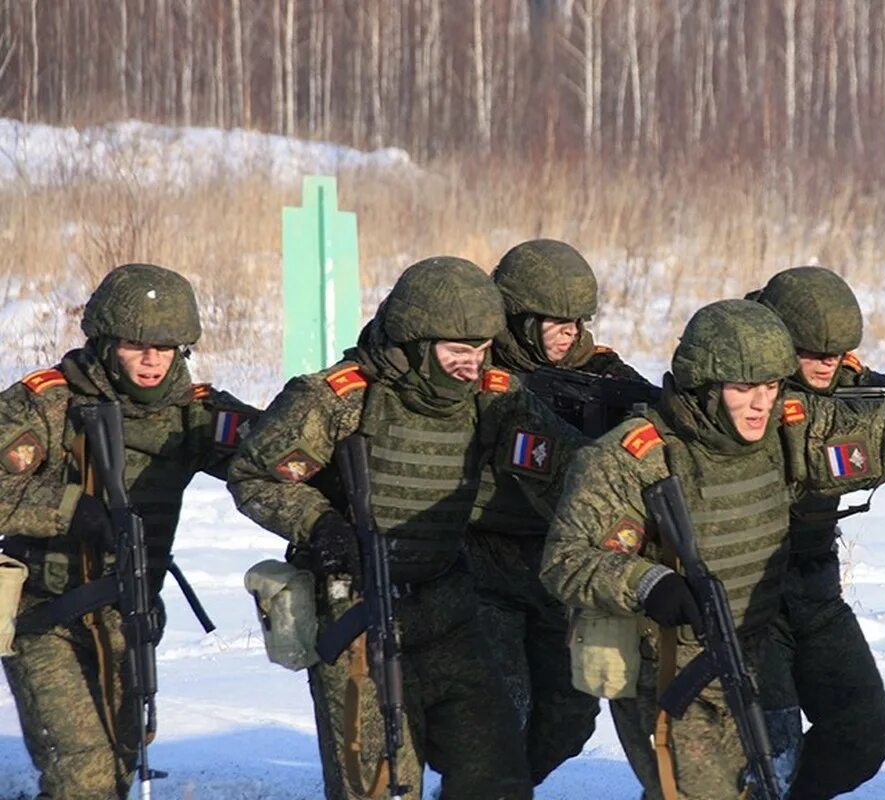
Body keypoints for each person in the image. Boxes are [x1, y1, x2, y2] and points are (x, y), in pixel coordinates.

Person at [541, 298, 885, 800]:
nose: (760, 404)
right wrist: (647, 582)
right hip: (669, 666)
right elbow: (568, 558)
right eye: (744, 389)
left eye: (771, 386)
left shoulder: (785, 430)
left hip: (756, 649)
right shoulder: (632, 457)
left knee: (777, 780)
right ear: (704, 388)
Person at [226, 256, 585, 800]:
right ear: (416, 344)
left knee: (499, 778)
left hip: (448, 613)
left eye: (481, 350)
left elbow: (571, 467)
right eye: (457, 353)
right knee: (379, 784)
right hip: (355, 616)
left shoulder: (492, 397)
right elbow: (254, 474)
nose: (471, 366)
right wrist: (319, 524)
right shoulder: (339, 400)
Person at [0, 263, 258, 800]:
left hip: (128, 615)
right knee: (84, 776)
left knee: (118, 767)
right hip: (44, 616)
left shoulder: (192, 411)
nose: (151, 360)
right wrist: (72, 508)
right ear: (104, 341)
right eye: (136, 345)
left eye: (165, 348)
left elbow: (271, 457)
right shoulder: (47, 403)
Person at [464, 239, 647, 783]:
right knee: (500, 712)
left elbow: (642, 424)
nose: (569, 332)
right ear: (519, 320)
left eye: (577, 321)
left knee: (568, 721)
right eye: (554, 321)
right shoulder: (472, 362)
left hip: (558, 567)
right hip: (481, 559)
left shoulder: (600, 372)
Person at [749, 266, 885, 798]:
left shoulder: (847, 387)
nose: (826, 363)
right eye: (813, 351)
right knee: (766, 747)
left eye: (836, 353)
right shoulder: (736, 385)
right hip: (743, 596)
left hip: (813, 587)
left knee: (861, 733)